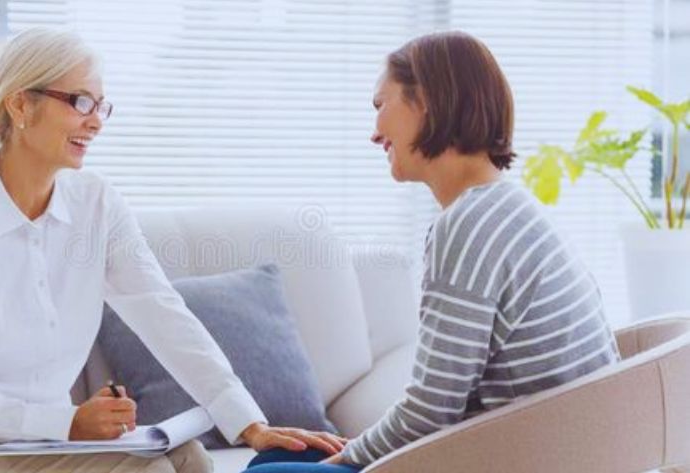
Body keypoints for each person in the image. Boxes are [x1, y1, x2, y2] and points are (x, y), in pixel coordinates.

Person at [0, 27, 345, 473]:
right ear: (20, 104)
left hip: (34, 442)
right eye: (80, 102)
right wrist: (67, 422)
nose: (96, 121)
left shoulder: (97, 206)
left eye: (101, 105)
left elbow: (163, 313)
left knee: (190, 460)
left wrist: (248, 424)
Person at [244, 30, 620, 473]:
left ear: (426, 100)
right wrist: (352, 451)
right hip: (546, 450)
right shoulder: (506, 206)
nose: (374, 133)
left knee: (267, 472)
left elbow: (430, 412)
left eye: (380, 105)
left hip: (521, 460)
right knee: (277, 457)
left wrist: (349, 457)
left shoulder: (469, 225)